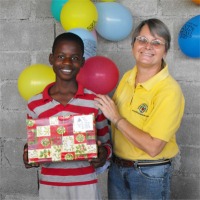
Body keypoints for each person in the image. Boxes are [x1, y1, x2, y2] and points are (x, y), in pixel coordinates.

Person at [94, 18, 185, 200]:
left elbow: (153, 147)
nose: (148, 47)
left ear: (165, 51)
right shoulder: (129, 77)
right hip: (118, 169)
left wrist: (117, 119)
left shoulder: (169, 91)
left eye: (156, 43)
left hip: (148, 173)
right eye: (142, 40)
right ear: (133, 45)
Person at [23, 32, 112, 200]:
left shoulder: (94, 102)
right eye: (61, 56)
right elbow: (33, 145)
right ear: (51, 59)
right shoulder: (35, 104)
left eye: (75, 58)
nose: (66, 62)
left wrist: (102, 154)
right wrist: (28, 155)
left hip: (86, 186)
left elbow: (107, 145)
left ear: (82, 62)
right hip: (50, 186)